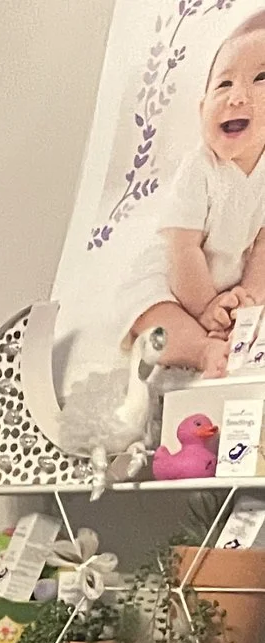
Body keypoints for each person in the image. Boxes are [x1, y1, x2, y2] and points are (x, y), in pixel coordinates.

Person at [123, 13, 265, 373]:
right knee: (153, 313)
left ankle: (229, 334)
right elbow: (182, 248)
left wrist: (246, 302)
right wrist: (205, 308)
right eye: (223, 84)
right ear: (202, 109)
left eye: (261, 78)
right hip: (176, 276)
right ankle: (200, 350)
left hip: (229, 278)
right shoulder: (199, 170)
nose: (236, 97)